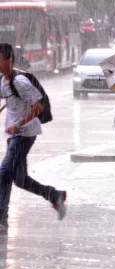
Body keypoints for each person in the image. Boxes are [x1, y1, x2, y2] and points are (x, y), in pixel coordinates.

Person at [0, 43, 66, 232]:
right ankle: (54, 195)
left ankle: (1, 219)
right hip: (13, 135)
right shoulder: (3, 81)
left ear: (8, 60)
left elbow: (38, 107)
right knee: (20, 179)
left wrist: (19, 124)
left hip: (25, 134)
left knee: (4, 173)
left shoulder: (20, 81)